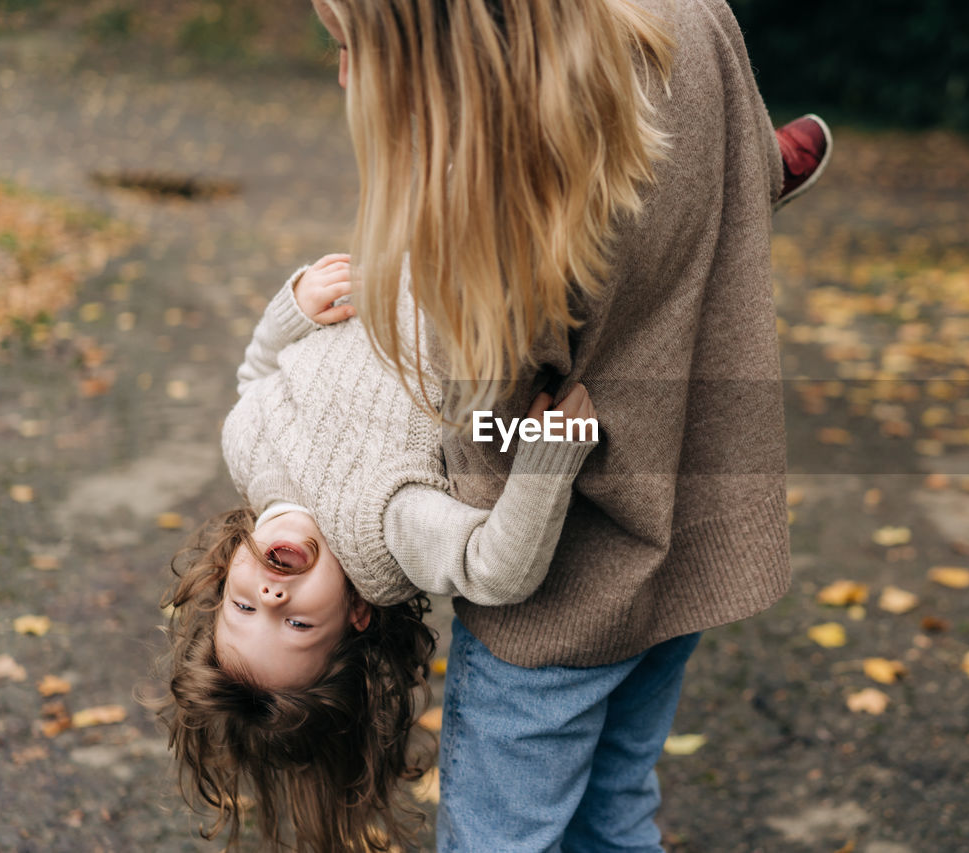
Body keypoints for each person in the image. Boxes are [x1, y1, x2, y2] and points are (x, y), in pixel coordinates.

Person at [308, 1, 831, 849]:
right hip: (680, 548)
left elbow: (491, 452)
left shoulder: (490, 197)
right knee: (614, 815)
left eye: (349, 47)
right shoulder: (692, 21)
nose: (341, 74)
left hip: (562, 599)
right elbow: (750, 181)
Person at [151, 253, 599, 852]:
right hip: (482, 286)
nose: (271, 595)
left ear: (223, 580)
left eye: (245, 609)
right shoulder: (383, 532)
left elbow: (253, 381)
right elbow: (491, 571)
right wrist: (545, 462)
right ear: (356, 615)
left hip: (409, 248)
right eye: (297, 622)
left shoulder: (247, 457)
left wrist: (291, 313)